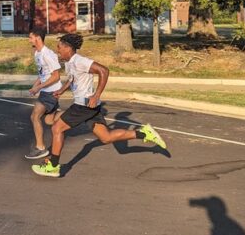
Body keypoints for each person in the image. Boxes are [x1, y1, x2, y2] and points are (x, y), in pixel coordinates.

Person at [32, 33, 166, 178]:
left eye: (59, 48)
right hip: (89, 107)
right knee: (106, 137)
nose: (57, 51)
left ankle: (53, 166)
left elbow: (104, 71)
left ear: (68, 48)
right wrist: (61, 90)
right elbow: (72, 79)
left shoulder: (80, 61)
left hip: (84, 105)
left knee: (57, 128)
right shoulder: (70, 62)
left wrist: (96, 95)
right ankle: (145, 133)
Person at [25, 28, 63, 159]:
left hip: (51, 91)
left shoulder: (48, 54)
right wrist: (35, 86)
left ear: (38, 38)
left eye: (31, 37)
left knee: (35, 116)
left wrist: (39, 87)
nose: (29, 40)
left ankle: (40, 148)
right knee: (49, 120)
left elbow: (56, 76)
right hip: (46, 90)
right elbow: (43, 74)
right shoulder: (37, 53)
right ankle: (76, 114)